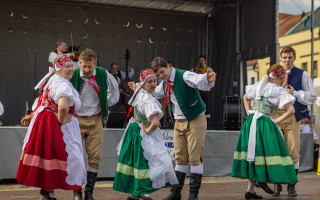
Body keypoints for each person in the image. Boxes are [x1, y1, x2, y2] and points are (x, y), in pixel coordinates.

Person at [16, 55, 87, 200]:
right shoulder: (63, 84)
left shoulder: (53, 80)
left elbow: (44, 102)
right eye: (66, 66)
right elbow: (62, 106)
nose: (71, 69)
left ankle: (47, 193)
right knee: (69, 158)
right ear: (59, 68)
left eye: (71, 66)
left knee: (49, 157)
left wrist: (32, 116)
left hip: (45, 123)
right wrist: (60, 120)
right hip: (58, 126)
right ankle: (52, 193)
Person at [150, 57, 216, 200]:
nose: (161, 76)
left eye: (162, 72)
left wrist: (208, 78)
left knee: (194, 157)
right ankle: (176, 193)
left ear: (168, 65)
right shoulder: (165, 83)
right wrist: (140, 87)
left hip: (195, 118)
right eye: (158, 75)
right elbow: (156, 93)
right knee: (180, 158)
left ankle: (193, 195)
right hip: (179, 121)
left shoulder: (184, 75)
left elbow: (199, 80)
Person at [231, 64, 298, 199]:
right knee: (267, 153)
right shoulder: (276, 90)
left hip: (251, 122)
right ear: (275, 77)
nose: (283, 81)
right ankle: (260, 181)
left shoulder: (258, 85)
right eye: (282, 78)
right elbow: (292, 110)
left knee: (254, 154)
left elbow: (245, 97)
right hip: (264, 124)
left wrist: (249, 112)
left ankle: (250, 190)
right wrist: (275, 121)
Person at [113, 69, 178, 200]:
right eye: (150, 82)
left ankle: (136, 194)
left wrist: (134, 86)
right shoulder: (149, 100)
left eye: (155, 81)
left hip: (134, 130)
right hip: (143, 134)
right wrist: (148, 131)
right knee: (150, 162)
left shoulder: (140, 92)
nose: (154, 84)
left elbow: (137, 86)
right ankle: (141, 191)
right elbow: (154, 123)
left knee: (137, 163)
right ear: (144, 83)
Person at [69, 48, 119, 200]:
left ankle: (89, 192)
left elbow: (115, 92)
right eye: (84, 66)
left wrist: (105, 104)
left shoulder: (103, 73)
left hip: (95, 119)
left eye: (90, 66)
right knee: (75, 157)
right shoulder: (74, 73)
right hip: (76, 120)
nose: (86, 70)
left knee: (95, 157)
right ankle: (76, 192)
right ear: (79, 63)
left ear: (95, 64)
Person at [272, 46, 317, 197]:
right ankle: (277, 185)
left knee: (293, 151)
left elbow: (312, 97)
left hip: (293, 114)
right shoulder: (275, 74)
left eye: (290, 57)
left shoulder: (302, 74)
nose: (287, 60)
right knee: (276, 150)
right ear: (281, 58)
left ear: (294, 58)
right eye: (284, 57)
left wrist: (295, 93)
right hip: (276, 114)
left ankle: (292, 185)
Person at [191, 55, 214, 128]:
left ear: (205, 61)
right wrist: (196, 74)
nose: (201, 62)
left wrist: (203, 74)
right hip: (197, 90)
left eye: (202, 60)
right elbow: (190, 78)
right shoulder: (194, 69)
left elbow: (212, 79)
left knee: (206, 105)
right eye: (199, 61)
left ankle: (208, 123)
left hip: (206, 90)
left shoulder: (209, 69)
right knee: (196, 104)